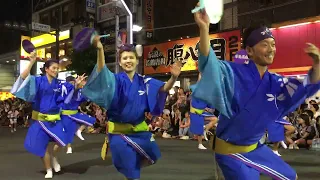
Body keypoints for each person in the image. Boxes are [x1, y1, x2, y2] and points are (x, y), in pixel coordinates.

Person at [192, 2, 320, 179]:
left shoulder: (276, 81)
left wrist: (317, 64)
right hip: (230, 152)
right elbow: (209, 64)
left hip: (255, 148)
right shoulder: (233, 73)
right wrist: (204, 28)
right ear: (250, 51)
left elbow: (305, 87)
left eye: (273, 44)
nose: (271, 49)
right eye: (265, 45)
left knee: (291, 176)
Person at [82, 37, 182, 180]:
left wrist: (173, 78)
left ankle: (131, 169)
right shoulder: (115, 80)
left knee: (153, 156)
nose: (128, 60)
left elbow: (163, 89)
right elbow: (102, 70)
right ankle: (131, 171)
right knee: (133, 174)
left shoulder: (144, 81)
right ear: (120, 62)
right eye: (124, 58)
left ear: (136, 60)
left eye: (131, 57)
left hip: (140, 131)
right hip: (119, 134)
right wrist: (100, 49)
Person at [11, 53, 68, 179]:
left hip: (54, 120)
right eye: (53, 68)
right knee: (42, 148)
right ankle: (48, 169)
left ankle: (54, 157)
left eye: (57, 68)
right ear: (46, 69)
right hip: (39, 121)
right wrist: (31, 62)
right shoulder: (37, 81)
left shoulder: (59, 84)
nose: (56, 70)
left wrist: (76, 86)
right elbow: (23, 77)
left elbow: (68, 93)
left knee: (63, 141)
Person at [60, 75, 96, 154]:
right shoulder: (65, 89)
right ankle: (67, 147)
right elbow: (66, 101)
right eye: (71, 83)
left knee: (91, 119)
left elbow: (82, 99)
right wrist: (75, 88)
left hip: (74, 113)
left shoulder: (79, 91)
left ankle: (78, 130)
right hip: (66, 114)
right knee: (68, 131)